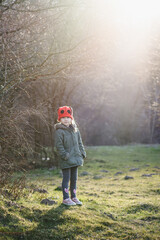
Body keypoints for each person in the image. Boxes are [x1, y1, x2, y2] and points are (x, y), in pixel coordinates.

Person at [54, 106, 86, 206]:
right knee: (66, 179)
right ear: (60, 119)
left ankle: (74, 197)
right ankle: (66, 198)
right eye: (63, 118)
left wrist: (82, 152)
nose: (66, 120)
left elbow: (80, 142)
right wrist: (65, 156)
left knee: (74, 179)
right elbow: (59, 146)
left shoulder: (75, 130)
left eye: (68, 118)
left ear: (71, 118)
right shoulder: (59, 131)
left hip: (76, 158)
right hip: (66, 159)